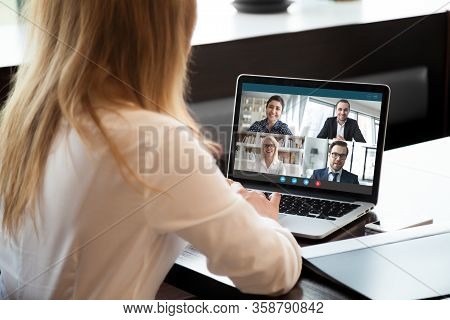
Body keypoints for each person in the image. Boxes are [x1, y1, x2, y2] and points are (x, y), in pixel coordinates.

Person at [0, 0, 301, 299]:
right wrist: (262, 219)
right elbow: (269, 273)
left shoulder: (24, 123)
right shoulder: (152, 141)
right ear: (167, 34)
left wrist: (207, 196)